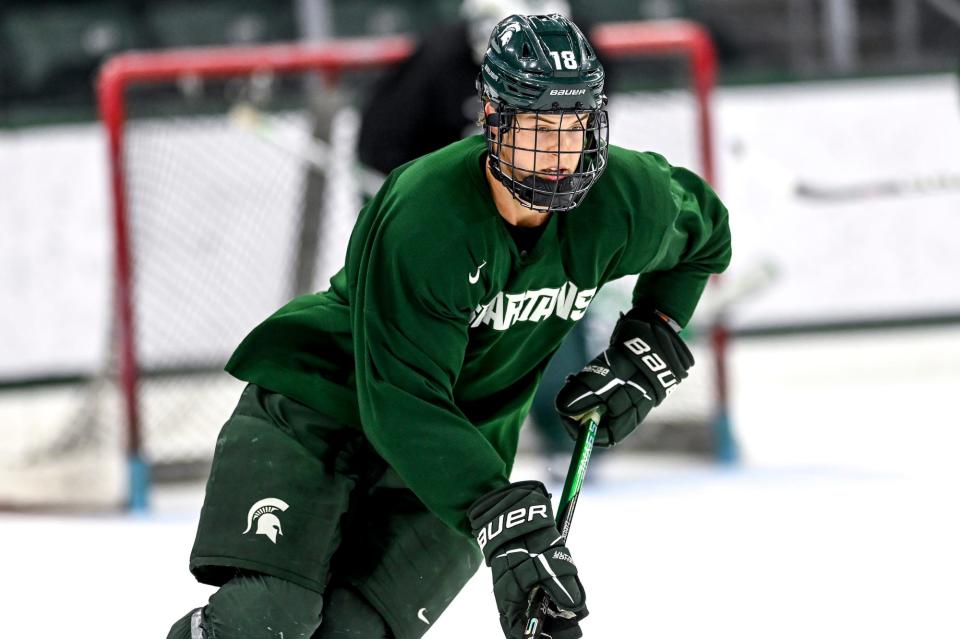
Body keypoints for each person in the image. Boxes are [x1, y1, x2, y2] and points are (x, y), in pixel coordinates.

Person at [168, 13, 731, 639]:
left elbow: (707, 234)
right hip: (320, 413)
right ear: (492, 122)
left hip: (458, 454)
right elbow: (402, 400)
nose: (559, 155)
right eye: (538, 129)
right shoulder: (427, 214)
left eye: (574, 128)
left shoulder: (623, 199)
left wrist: (651, 331)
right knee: (265, 623)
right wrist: (502, 517)